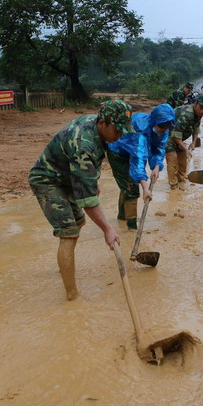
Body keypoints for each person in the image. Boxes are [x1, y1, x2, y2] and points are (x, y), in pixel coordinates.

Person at [28, 100, 134, 301]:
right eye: (118, 130)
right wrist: (108, 230)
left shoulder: (95, 127)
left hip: (66, 177)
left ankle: (64, 267)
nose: (120, 135)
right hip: (47, 181)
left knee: (77, 223)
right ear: (103, 122)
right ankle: (72, 295)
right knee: (68, 232)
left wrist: (91, 182)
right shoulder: (83, 144)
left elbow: (88, 169)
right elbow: (88, 201)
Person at [106, 103, 175, 229]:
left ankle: (122, 216)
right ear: (154, 121)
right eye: (161, 127)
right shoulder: (140, 130)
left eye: (166, 128)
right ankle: (132, 228)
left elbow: (158, 149)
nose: (163, 130)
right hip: (118, 151)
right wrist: (145, 189)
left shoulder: (164, 129)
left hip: (134, 150)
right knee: (132, 188)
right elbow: (138, 160)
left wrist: (156, 167)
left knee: (127, 185)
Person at [165, 93, 203, 189]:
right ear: (195, 103)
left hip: (179, 137)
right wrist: (186, 149)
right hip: (168, 136)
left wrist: (193, 143)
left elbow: (196, 128)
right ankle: (173, 186)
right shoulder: (186, 114)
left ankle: (181, 181)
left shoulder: (198, 113)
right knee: (172, 160)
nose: (202, 111)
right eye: (201, 107)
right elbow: (175, 136)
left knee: (182, 162)